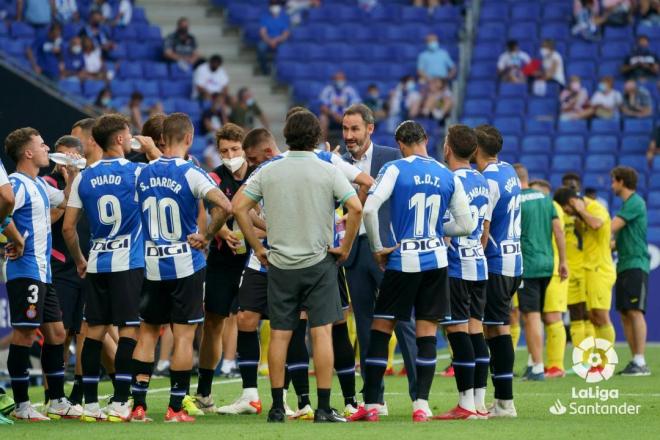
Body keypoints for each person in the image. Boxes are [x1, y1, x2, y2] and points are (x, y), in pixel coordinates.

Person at [232, 110, 363, 423]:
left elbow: (238, 206)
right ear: (316, 137)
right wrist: (344, 249)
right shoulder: (326, 168)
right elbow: (356, 207)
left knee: (280, 334)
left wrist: (259, 247)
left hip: (280, 263)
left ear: (286, 136)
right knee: (321, 334)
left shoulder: (269, 169)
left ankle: (278, 406)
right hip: (318, 262)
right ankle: (323, 407)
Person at [348, 120, 473, 423]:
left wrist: (378, 247)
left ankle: (373, 406)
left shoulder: (395, 168)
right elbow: (466, 225)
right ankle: (422, 405)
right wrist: (435, 229)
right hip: (437, 263)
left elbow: (368, 209)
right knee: (426, 333)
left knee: (381, 328)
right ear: (426, 140)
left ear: (400, 144)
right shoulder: (447, 174)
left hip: (404, 260)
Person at [130, 113, 233, 423]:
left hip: (152, 264)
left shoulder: (142, 173)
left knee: (148, 334)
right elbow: (225, 206)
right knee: (184, 335)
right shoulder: (191, 172)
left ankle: (138, 407)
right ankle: (175, 408)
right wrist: (207, 236)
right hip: (186, 264)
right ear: (188, 139)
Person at [60, 115, 143, 422]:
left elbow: (69, 228)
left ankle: (91, 404)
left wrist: (81, 259)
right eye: (129, 133)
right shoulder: (137, 172)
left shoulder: (83, 177)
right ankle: (121, 401)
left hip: (97, 262)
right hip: (128, 262)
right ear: (120, 139)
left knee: (92, 331)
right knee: (129, 329)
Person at [340, 104, 419, 412]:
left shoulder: (392, 157)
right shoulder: (337, 163)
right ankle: (374, 398)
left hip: (389, 252)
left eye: (355, 129)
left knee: (403, 323)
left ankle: (419, 396)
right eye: (345, 129)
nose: (349, 136)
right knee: (364, 325)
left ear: (370, 129)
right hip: (356, 254)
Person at [3, 127, 82, 421]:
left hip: (43, 273)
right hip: (25, 270)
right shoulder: (16, 184)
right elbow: (3, 213)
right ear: (27, 153)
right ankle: (23, 405)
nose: (47, 147)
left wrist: (72, 174)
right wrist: (14, 237)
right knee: (24, 333)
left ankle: (57, 400)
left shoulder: (37, 184)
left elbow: (65, 200)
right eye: (41, 144)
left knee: (58, 333)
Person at [193, 123, 255, 413]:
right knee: (213, 323)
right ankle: (204, 392)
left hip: (256, 259)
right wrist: (221, 233)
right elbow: (205, 213)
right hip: (221, 261)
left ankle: (255, 392)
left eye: (234, 149)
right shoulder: (215, 176)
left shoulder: (259, 173)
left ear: (245, 148)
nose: (230, 155)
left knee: (251, 321)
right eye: (224, 151)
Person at [434, 125, 490, 420]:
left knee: (457, 332)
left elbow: (444, 229)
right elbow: (485, 228)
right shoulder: (482, 180)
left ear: (448, 149)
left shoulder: (449, 180)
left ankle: (465, 405)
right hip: (479, 264)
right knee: (475, 331)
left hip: (457, 265)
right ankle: (479, 403)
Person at [473, 124, 522, 417]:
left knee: (493, 328)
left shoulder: (488, 180)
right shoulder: (509, 172)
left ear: (476, 149)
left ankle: (504, 402)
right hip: (513, 260)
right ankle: (503, 401)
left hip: (495, 263)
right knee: (496, 327)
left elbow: (484, 227)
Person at [514, 164, 568, 382]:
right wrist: (563, 261)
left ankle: (536, 366)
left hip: (527, 265)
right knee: (538, 315)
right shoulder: (547, 199)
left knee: (531, 316)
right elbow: (558, 231)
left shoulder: (515, 201)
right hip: (548, 265)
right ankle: (534, 363)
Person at [554, 187, 616, 349]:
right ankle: (595, 360)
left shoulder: (595, 207)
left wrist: (581, 211)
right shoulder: (579, 215)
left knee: (601, 316)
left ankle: (606, 361)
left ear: (572, 202)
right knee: (593, 316)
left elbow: (596, 224)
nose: (567, 214)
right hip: (589, 268)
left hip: (600, 269)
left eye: (567, 209)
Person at [528, 179, 571, 378]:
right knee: (533, 316)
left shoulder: (552, 206)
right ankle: (535, 362)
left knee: (552, 317)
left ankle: (556, 365)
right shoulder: (546, 205)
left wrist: (563, 262)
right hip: (542, 267)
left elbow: (559, 233)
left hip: (552, 270)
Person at [611, 166, 651, 376]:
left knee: (635, 312)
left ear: (621, 181)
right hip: (624, 265)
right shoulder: (628, 205)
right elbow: (616, 242)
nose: (611, 185)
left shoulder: (635, 202)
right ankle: (635, 359)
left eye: (613, 181)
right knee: (625, 313)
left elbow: (611, 227)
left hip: (636, 264)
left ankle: (641, 361)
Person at [319, 72, 360, 141]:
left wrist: (345, 116)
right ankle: (322, 145)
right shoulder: (328, 90)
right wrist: (334, 115)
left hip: (347, 117)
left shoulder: (350, 91)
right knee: (323, 118)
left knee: (357, 118)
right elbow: (323, 107)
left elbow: (356, 106)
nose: (339, 81)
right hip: (331, 118)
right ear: (333, 80)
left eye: (341, 78)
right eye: (337, 79)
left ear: (345, 79)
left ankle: (353, 143)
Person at [257, 0, 291, 75]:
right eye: (272, 5)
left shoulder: (284, 17)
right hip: (267, 40)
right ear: (269, 7)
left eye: (276, 5)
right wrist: (269, 41)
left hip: (280, 40)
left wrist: (276, 40)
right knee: (261, 47)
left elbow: (286, 34)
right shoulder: (264, 17)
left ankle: (278, 70)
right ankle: (265, 70)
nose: (275, 7)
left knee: (284, 49)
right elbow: (262, 32)